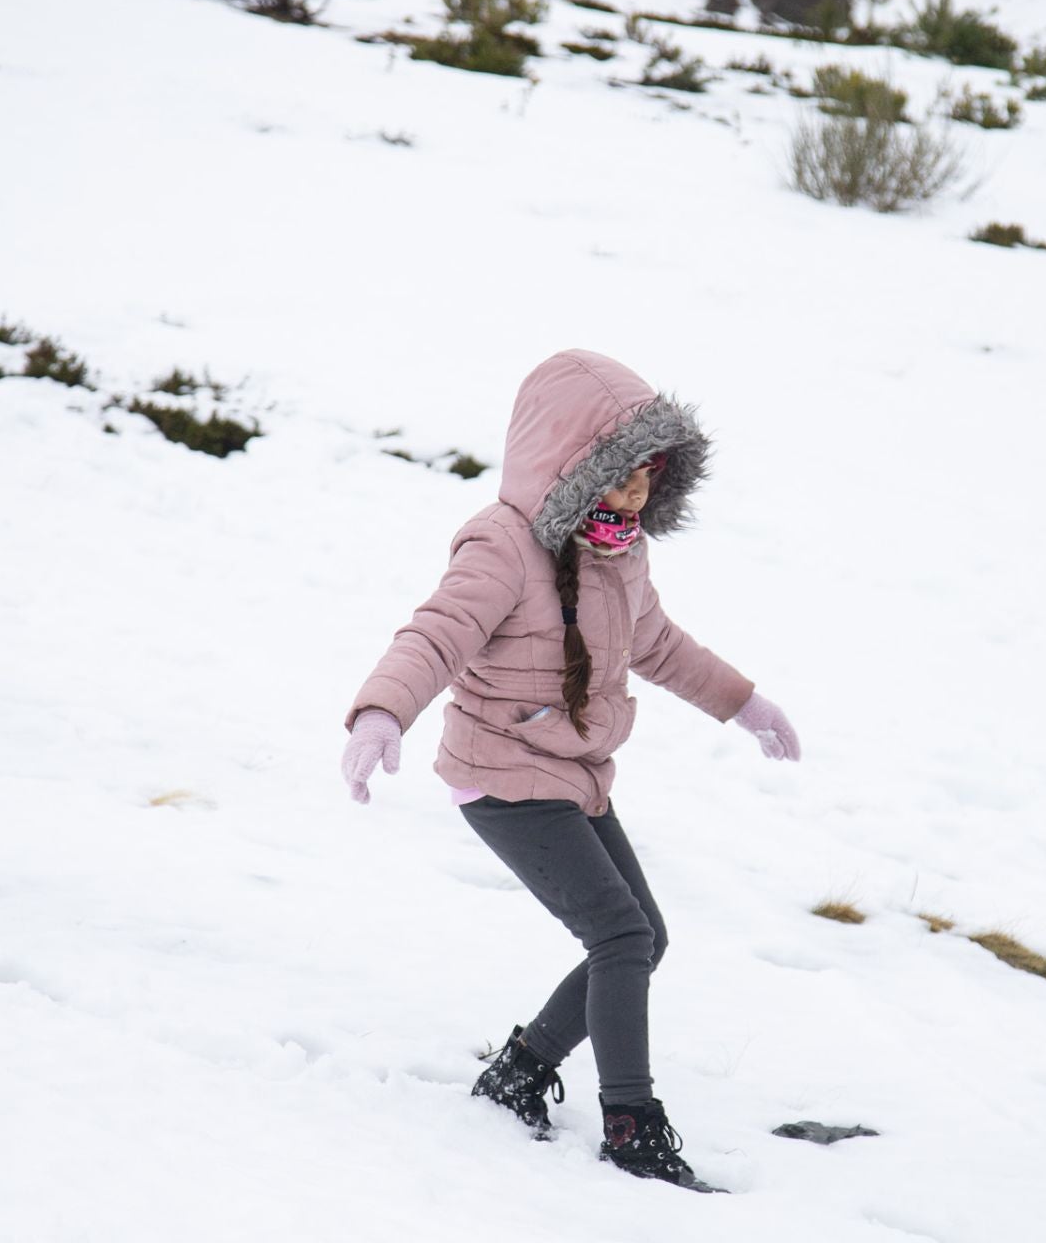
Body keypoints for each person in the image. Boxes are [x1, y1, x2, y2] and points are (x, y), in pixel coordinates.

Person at [340, 349, 801, 1189]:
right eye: (616, 475)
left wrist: (745, 704)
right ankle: (632, 1128)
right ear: (566, 466)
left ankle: (521, 1071)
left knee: (643, 935)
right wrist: (382, 710)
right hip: (504, 776)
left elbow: (660, 646)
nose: (633, 495)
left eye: (647, 475)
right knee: (621, 936)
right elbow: (436, 634)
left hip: (570, 773)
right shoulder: (503, 547)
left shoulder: (620, 553)